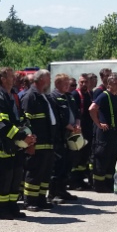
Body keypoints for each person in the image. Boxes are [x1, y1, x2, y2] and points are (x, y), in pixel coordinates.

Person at [0, 67, 34, 218]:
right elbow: (2, 125)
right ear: (3, 79)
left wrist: (28, 132)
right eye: (10, 76)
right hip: (3, 146)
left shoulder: (12, 95)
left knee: (16, 177)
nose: (14, 77)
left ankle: (12, 207)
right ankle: (1, 209)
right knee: (4, 179)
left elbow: (20, 117)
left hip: (15, 144)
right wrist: (21, 136)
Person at [20, 69, 56, 211]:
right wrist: (30, 144)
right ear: (41, 80)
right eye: (48, 78)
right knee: (34, 172)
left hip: (48, 143)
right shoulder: (31, 97)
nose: (50, 81)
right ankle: (29, 201)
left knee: (44, 174)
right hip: (37, 144)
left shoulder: (44, 96)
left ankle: (41, 199)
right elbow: (26, 123)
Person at [48, 73, 80, 203]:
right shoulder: (53, 97)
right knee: (58, 165)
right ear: (57, 84)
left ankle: (62, 190)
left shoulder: (70, 97)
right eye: (65, 84)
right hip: (59, 137)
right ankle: (53, 194)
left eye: (68, 83)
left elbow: (77, 113)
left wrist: (77, 124)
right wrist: (69, 126)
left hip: (71, 135)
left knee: (67, 164)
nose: (68, 86)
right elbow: (56, 118)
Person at [91, 75, 117, 192]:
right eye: (115, 83)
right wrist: (98, 123)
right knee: (102, 157)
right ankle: (99, 185)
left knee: (112, 157)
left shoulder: (115, 95)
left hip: (114, 132)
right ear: (108, 84)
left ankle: (108, 183)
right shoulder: (104, 95)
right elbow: (92, 108)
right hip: (104, 133)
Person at [70, 73, 95, 189]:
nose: (84, 84)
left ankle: (81, 180)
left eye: (86, 82)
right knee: (76, 157)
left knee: (84, 157)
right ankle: (74, 181)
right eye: (82, 82)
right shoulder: (75, 95)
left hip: (88, 130)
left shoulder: (90, 94)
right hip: (78, 130)